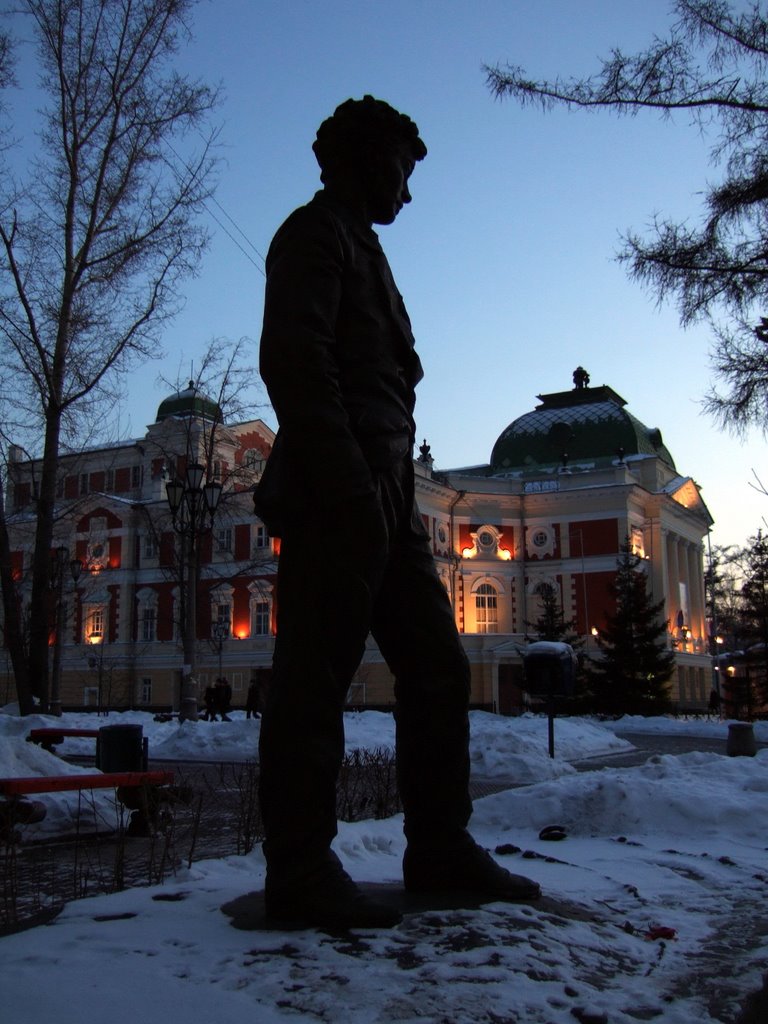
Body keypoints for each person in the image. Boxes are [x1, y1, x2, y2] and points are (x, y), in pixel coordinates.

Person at [255, 95, 540, 929]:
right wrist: (348, 484)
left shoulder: (366, 250)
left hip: (384, 491)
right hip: (336, 492)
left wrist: (383, 491)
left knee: (438, 664)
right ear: (363, 158)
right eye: (403, 170)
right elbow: (294, 361)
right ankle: (300, 868)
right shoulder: (312, 235)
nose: (408, 192)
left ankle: (439, 846)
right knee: (315, 679)